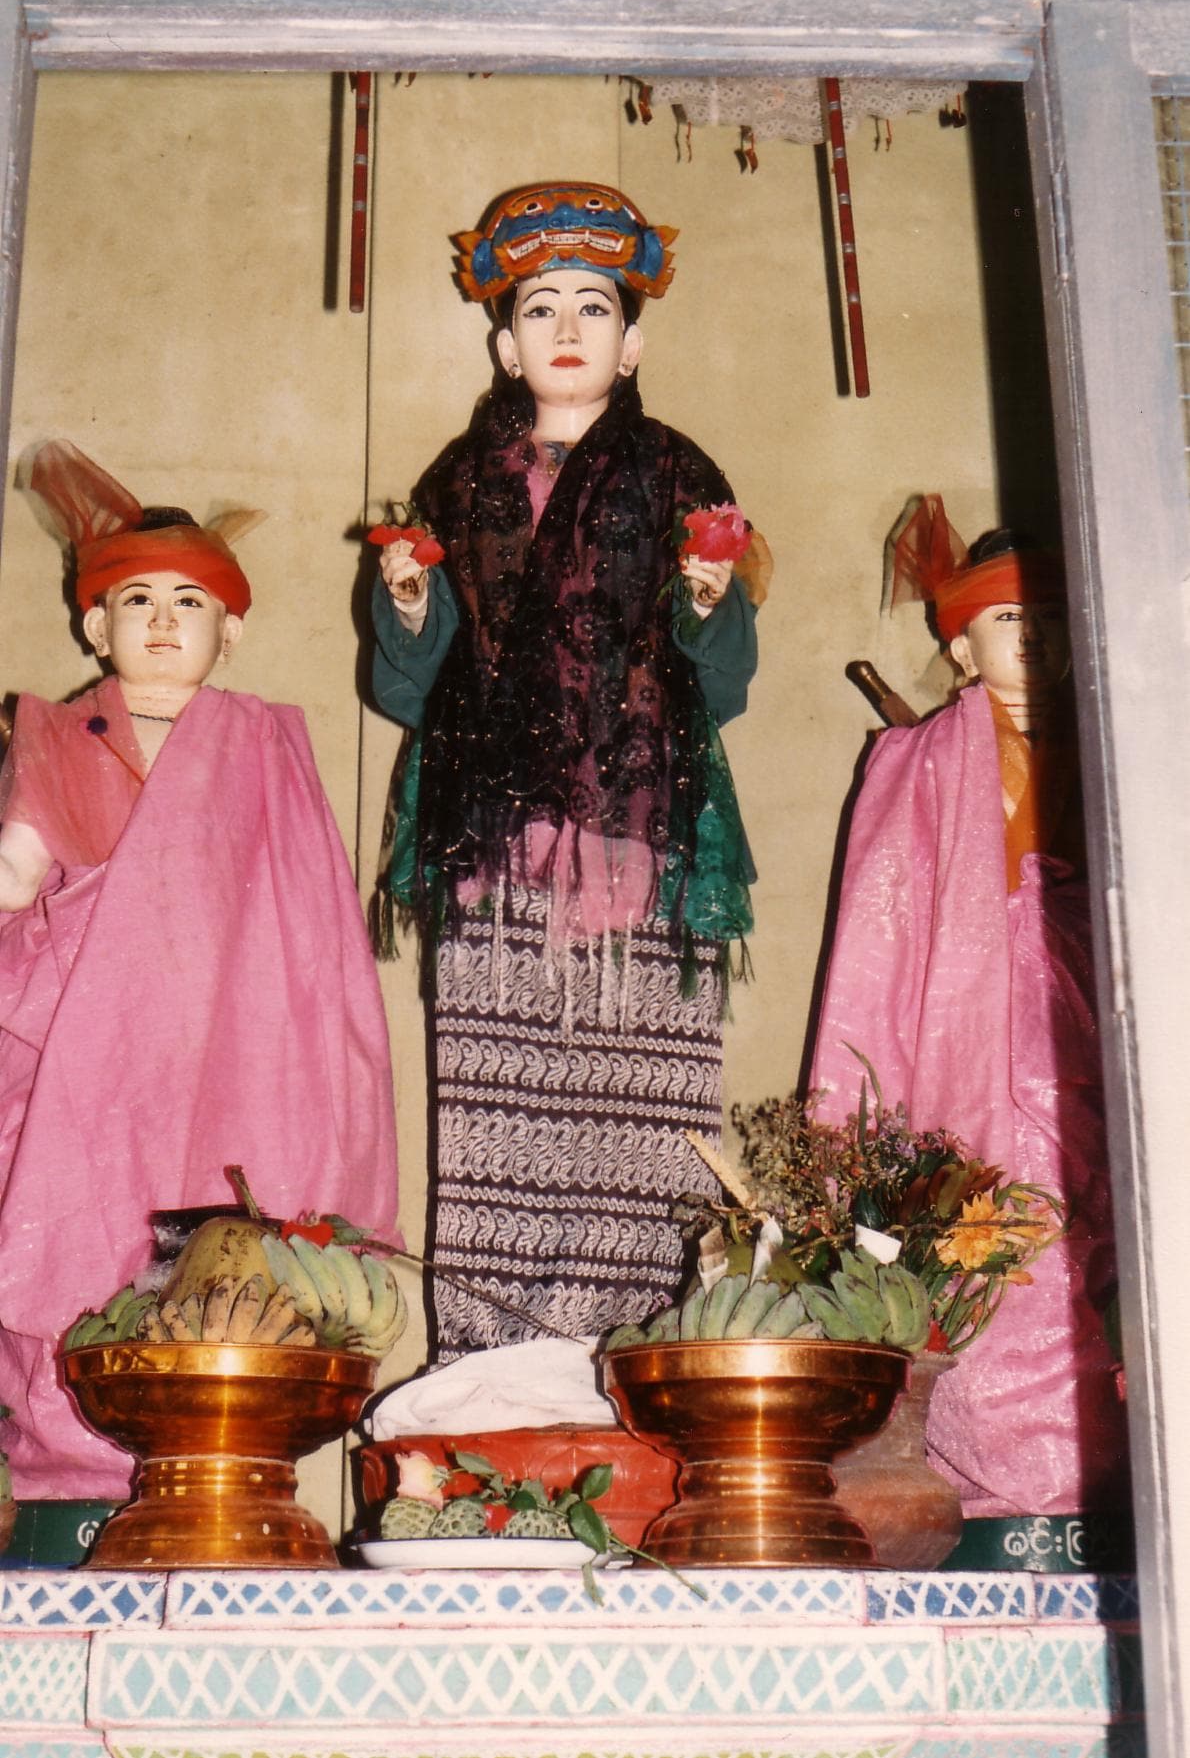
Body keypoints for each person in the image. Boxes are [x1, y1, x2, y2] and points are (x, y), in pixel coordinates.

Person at [371, 182, 763, 1360]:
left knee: (644, 1125)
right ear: (503, 339)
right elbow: (404, 688)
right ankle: (488, 1396)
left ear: (632, 339)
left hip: (642, 837)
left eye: (593, 305)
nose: (566, 328)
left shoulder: (680, 475)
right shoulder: (457, 484)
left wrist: (705, 605)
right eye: (539, 307)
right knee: (493, 1114)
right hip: (494, 840)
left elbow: (725, 680)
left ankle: (633, 1381)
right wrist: (404, 605)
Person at [0, 440, 399, 1499]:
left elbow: (308, 931)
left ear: (232, 629)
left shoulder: (265, 746)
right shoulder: (53, 733)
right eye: (136, 601)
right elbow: (17, 872)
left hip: (226, 1058)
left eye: (190, 601)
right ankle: (63, 1492)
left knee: (217, 1272)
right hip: (80, 1050)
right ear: (96, 625)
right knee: (75, 1255)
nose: (164, 621)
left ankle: (215, 1482)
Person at [811, 495, 1130, 1519]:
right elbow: (882, 929)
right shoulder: (914, 764)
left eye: (1047, 621)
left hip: (1098, 1040)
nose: (1028, 639)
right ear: (956, 643)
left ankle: (1114, 1484)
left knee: (1106, 1260)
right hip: (976, 1046)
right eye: (1004, 620)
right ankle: (1006, 1493)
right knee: (1001, 1261)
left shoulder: (1124, 751)